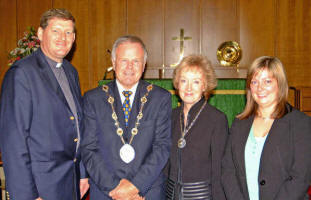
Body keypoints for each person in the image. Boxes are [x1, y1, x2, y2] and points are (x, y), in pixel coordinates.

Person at [0, 8, 89, 200]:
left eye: (68, 32)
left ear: (74, 38)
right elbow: (14, 143)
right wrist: (28, 196)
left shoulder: (70, 72)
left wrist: (82, 173)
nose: (62, 38)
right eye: (55, 31)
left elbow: (78, 127)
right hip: (40, 188)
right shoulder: (22, 74)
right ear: (40, 34)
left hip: (70, 182)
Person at [81, 35, 172, 199]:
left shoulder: (160, 98)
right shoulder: (93, 99)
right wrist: (116, 189)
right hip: (106, 192)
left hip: (147, 191)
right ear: (114, 63)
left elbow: (162, 147)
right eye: (124, 60)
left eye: (136, 61)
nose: (130, 66)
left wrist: (135, 187)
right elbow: (89, 148)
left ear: (144, 65)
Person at [221, 56, 311, 200]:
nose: (260, 88)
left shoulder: (300, 123)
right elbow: (228, 170)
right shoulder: (240, 123)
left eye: (267, 81)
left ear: (280, 84)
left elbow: (301, 177)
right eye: (254, 82)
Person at [166, 55, 228, 200]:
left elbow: (219, 170)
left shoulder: (216, 119)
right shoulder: (170, 117)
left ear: (204, 86)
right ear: (177, 84)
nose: (188, 87)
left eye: (195, 82)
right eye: (183, 81)